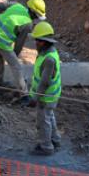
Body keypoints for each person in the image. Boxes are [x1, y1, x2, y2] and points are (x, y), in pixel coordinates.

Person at [0, 0, 46, 95]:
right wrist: (14, 56)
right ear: (33, 12)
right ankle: (24, 93)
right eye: (37, 16)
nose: (36, 19)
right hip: (1, 41)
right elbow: (19, 44)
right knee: (16, 66)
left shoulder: (16, 5)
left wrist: (1, 21)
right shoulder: (27, 24)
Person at [28, 21, 62, 155]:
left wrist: (35, 98)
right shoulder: (48, 52)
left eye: (37, 40)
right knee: (49, 116)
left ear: (44, 41)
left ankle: (46, 147)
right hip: (50, 95)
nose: (35, 42)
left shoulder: (49, 59)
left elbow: (44, 82)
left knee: (43, 121)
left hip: (46, 96)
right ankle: (55, 140)